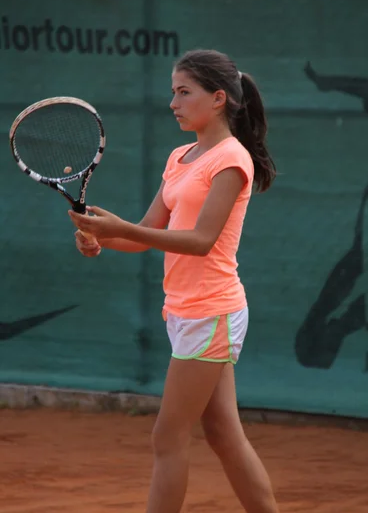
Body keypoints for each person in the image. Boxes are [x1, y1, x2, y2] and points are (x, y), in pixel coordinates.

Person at [68, 49, 279, 513]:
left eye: (184, 92)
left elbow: (201, 240)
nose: (173, 103)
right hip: (183, 309)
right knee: (224, 435)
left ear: (218, 98)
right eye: (173, 92)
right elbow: (148, 234)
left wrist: (120, 228)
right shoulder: (180, 157)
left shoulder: (230, 160)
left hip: (212, 309)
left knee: (168, 434)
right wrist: (101, 239)